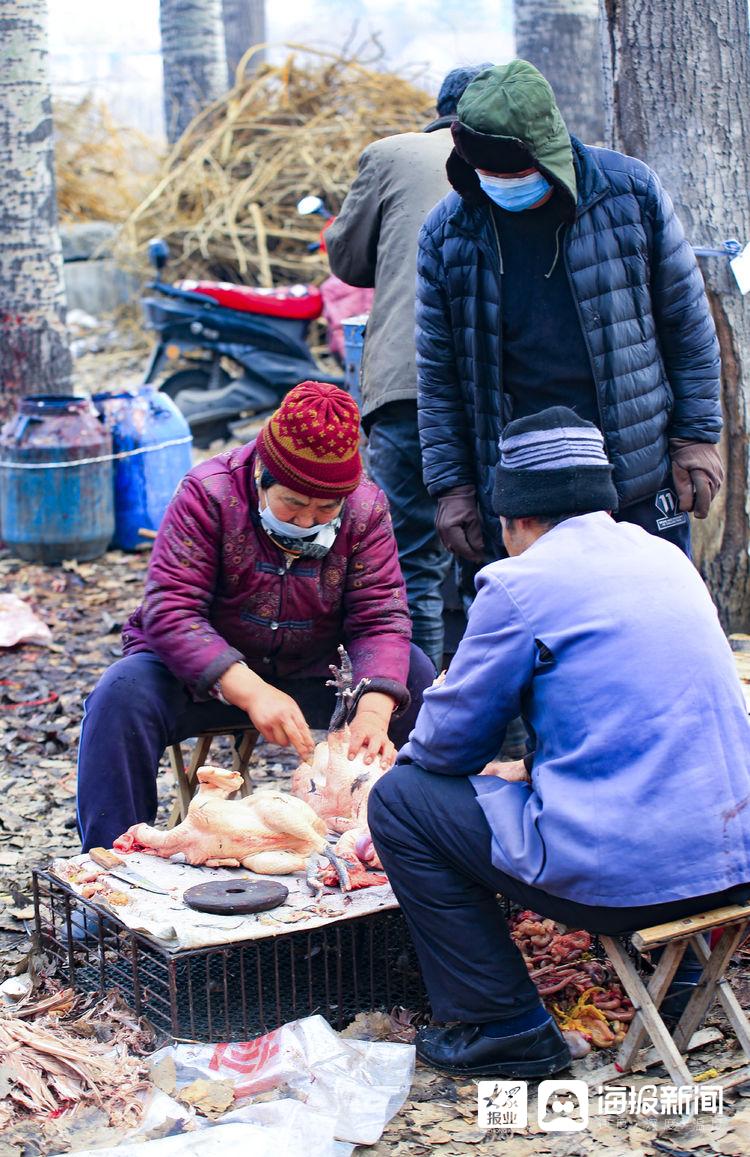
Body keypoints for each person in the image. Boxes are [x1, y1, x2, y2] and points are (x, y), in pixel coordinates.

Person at [368, 406, 750, 1079]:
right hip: (731, 859)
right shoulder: (664, 556)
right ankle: (684, 983)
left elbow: (442, 748)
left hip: (631, 879)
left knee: (401, 801)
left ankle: (506, 1026)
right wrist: (527, 766)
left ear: (516, 520)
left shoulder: (521, 583)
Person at [77, 381, 434, 852]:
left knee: (417, 675)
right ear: (262, 472)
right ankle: (110, 863)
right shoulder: (209, 493)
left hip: (316, 670)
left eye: (326, 507)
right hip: (201, 673)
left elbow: (381, 616)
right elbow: (171, 608)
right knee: (120, 695)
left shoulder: (365, 508)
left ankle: (403, 853)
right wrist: (247, 688)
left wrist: (371, 710)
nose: (308, 521)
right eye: (293, 503)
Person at [416, 60, 724, 566]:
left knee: (646, 614)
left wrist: (694, 437)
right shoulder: (447, 232)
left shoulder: (629, 194)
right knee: (539, 636)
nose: (504, 184)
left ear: (549, 150)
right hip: (520, 485)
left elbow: (686, 326)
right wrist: (453, 487)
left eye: (517, 173)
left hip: (633, 470)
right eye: (490, 174)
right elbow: (439, 375)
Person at [325, 65, 489, 671]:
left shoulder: (392, 155)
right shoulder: (533, 163)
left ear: (440, 109)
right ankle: (507, 725)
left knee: (412, 558)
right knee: (502, 558)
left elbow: (346, 259)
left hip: (406, 383)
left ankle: (419, 723)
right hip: (499, 390)